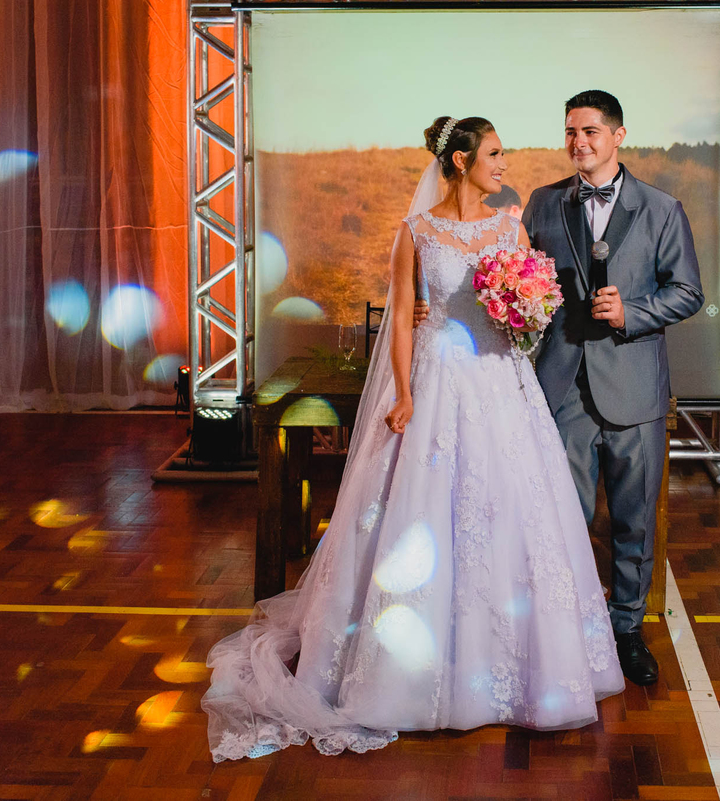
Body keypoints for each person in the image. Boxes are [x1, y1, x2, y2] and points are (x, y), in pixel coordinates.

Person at [202, 116, 624, 762]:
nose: (503, 164)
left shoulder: (508, 227)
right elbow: (402, 318)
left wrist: (527, 309)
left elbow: (528, 312)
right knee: (421, 512)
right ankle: (402, 672)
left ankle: (516, 666)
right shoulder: (416, 232)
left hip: (498, 382)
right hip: (436, 379)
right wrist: (403, 394)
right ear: (460, 161)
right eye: (493, 154)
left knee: (510, 515)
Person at [420, 91, 704, 685]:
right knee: (560, 521)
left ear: (618, 136)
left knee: (633, 523)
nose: (579, 143)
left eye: (591, 132)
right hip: (561, 391)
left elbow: (687, 293)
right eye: (571, 132)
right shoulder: (544, 204)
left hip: (634, 390)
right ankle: (568, 634)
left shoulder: (661, 209)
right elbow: (501, 276)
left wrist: (633, 312)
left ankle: (627, 631)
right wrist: (434, 308)